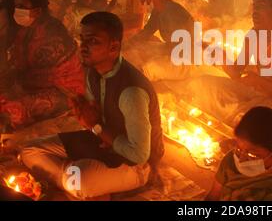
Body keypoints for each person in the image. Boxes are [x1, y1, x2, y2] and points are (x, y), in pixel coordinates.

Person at [20, 12, 164, 200]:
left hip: (137, 164)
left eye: (93, 41)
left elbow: (139, 155)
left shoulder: (131, 92)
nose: (83, 47)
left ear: (114, 47)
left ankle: (84, 178)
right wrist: (86, 117)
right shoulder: (92, 72)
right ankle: (78, 176)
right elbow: (95, 122)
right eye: (82, 39)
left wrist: (95, 126)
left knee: (79, 182)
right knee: (28, 151)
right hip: (103, 139)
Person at [176, 0, 272, 125]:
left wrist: (260, 82)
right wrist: (217, 54)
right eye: (254, 6)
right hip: (257, 92)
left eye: (260, 7)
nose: (254, 12)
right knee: (202, 84)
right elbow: (236, 72)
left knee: (243, 120)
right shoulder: (254, 34)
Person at [0, 0, 84, 129]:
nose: (17, 11)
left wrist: (14, 84)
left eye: (22, 7)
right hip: (33, 83)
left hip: (64, 90)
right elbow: (18, 64)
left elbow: (47, 76)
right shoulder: (26, 29)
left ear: (38, 11)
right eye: (16, 6)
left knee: (16, 108)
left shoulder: (52, 34)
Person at [206, 106, 272, 201]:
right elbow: (213, 197)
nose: (241, 160)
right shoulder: (232, 159)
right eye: (238, 149)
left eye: (252, 155)